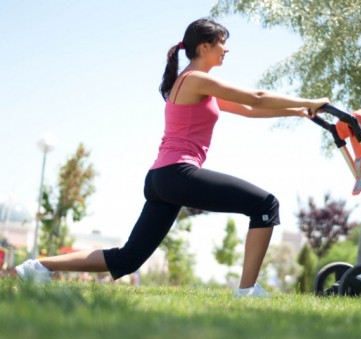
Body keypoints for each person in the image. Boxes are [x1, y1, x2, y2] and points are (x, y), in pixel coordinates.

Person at [15, 18, 329, 297]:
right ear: (205, 47)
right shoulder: (195, 79)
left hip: (161, 178)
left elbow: (248, 109)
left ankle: (39, 266)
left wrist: (300, 111)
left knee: (128, 258)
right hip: (177, 174)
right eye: (223, 44)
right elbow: (256, 97)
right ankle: (247, 290)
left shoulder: (195, 83)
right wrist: (311, 99)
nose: (227, 50)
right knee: (265, 205)